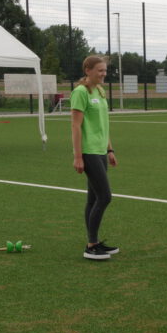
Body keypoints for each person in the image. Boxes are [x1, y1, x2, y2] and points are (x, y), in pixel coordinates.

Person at [71, 55, 119, 260]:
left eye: (105, 70)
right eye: (100, 70)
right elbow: (75, 126)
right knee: (105, 196)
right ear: (87, 70)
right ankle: (91, 246)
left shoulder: (100, 91)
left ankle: (94, 241)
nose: (103, 74)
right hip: (88, 151)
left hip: (100, 150)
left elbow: (103, 123)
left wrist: (110, 150)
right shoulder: (80, 92)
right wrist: (78, 156)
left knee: (93, 199)